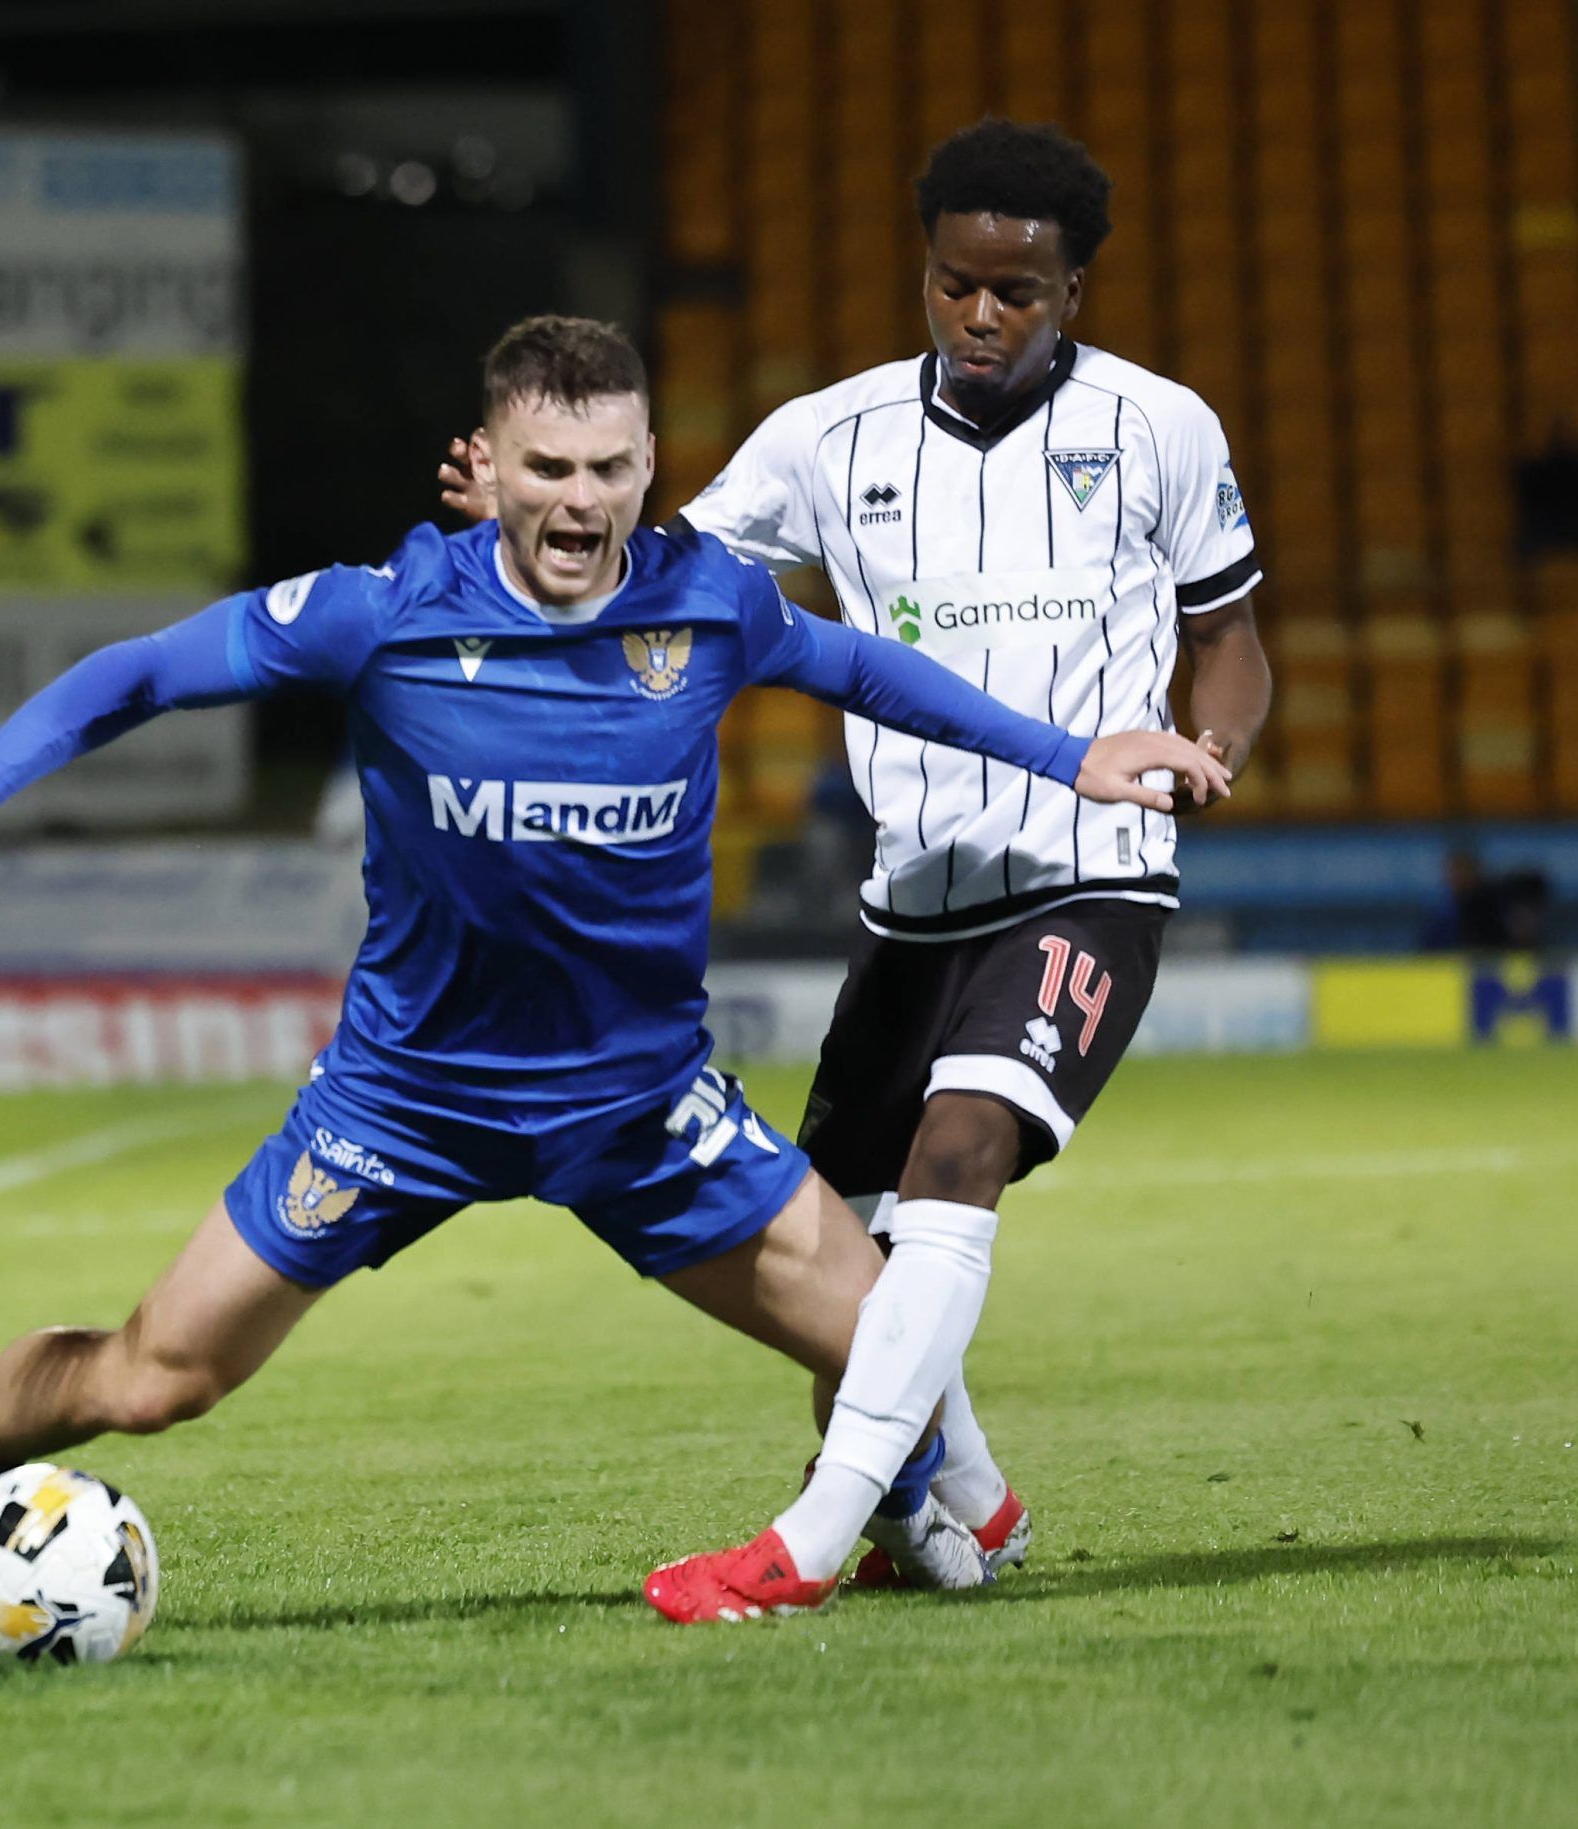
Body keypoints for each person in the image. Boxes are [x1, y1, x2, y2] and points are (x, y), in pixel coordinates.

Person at [0, 315, 1229, 1627]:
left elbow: (867, 669)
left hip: (639, 1107)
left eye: (612, 470)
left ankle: (923, 1517)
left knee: (889, 1349)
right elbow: (143, 669)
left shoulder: (710, 600)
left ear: (652, 465)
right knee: (151, 1377)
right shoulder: (383, 613)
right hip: (402, 1102)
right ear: (491, 465)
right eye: (549, 471)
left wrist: (1071, 754)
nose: (582, 504)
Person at [447, 121, 1276, 1620]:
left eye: (1016, 293)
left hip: (1091, 871)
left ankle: (806, 1546)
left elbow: (1230, 640)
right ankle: (963, 1497)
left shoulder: (1163, 429)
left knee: (961, 1155)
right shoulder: (826, 440)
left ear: (1073, 290)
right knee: (830, 1253)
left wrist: (1210, 748)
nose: (980, 315)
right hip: (914, 900)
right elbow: (670, 580)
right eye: (956, 284)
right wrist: (523, 519)